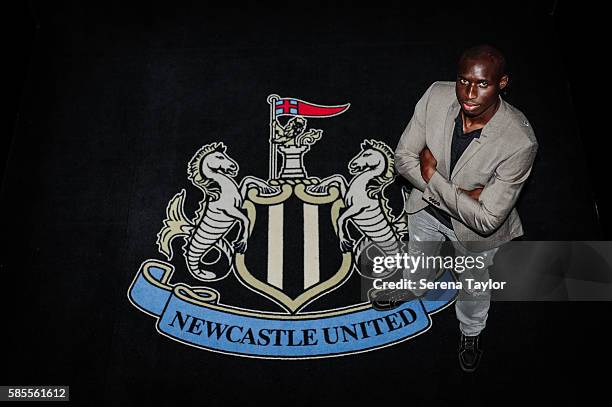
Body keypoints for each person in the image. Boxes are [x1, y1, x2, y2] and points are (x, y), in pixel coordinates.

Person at [390, 45, 538, 372]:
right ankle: (414, 288)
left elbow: (486, 220)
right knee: (418, 256)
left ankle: (471, 332)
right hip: (425, 211)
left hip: (472, 234)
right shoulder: (436, 95)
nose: (469, 93)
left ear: (502, 83)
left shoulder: (519, 142)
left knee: (473, 285)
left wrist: (431, 175)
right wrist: (464, 195)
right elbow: (403, 158)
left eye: (482, 83)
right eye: (463, 80)